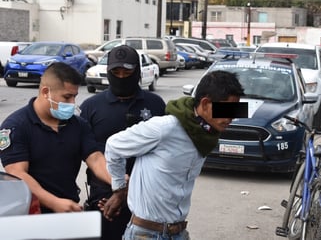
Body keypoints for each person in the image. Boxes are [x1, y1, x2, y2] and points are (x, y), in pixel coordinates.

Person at [103, 70, 244, 240]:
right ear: (205, 103)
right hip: (145, 234)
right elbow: (114, 145)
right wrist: (119, 189)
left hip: (178, 232)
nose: (231, 118)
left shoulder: (206, 136)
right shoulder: (165, 128)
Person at [80, 45, 166, 240]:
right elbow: (88, 154)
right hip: (104, 197)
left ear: (137, 71)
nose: (121, 76)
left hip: (146, 197)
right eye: (116, 72)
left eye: (127, 72)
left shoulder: (155, 104)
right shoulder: (91, 107)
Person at [0, 62, 111, 213]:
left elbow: (95, 159)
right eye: (67, 97)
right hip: (31, 212)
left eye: (74, 96)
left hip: (69, 207)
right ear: (46, 92)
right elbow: (17, 173)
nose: (72, 103)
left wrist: (116, 180)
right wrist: (54, 202)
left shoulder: (78, 125)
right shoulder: (16, 127)